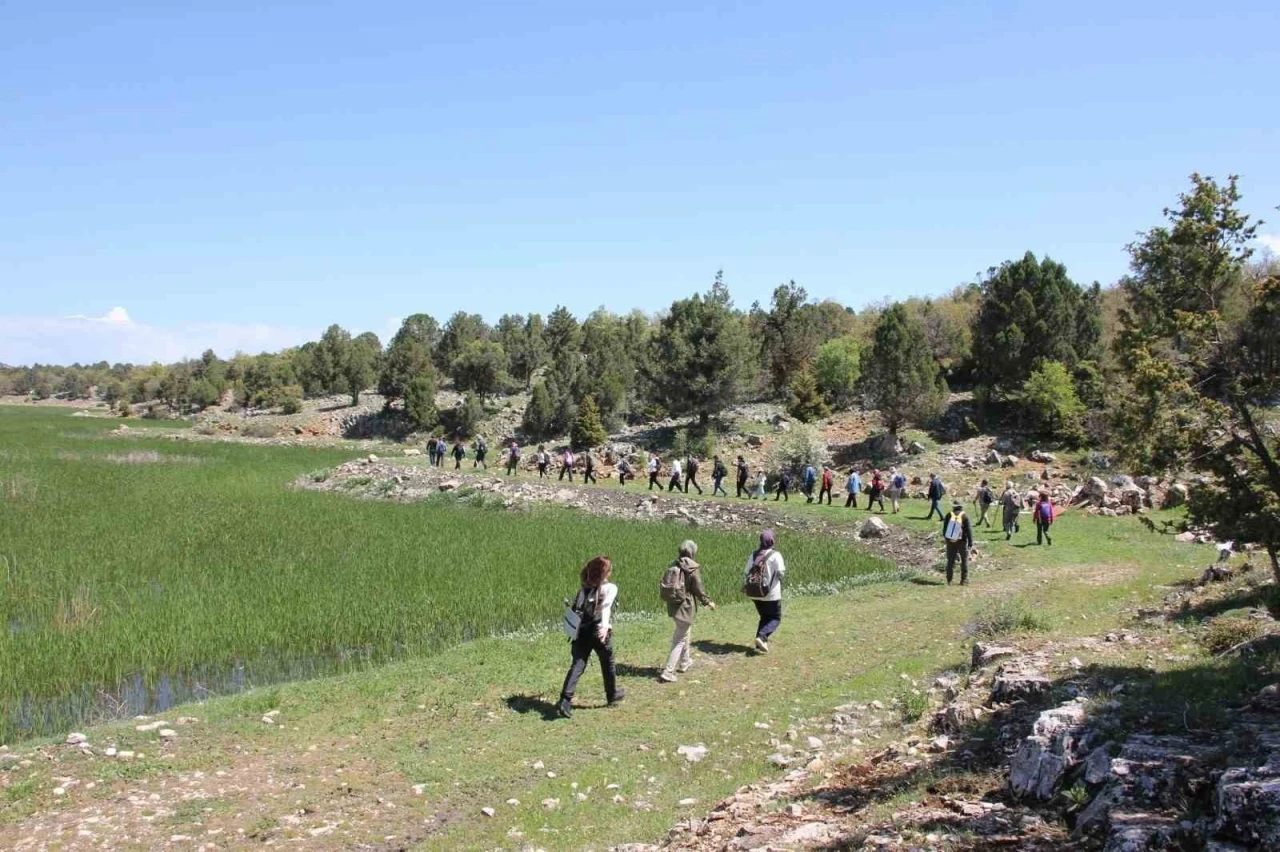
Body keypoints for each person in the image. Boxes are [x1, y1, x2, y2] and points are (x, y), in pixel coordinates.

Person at [557, 556, 625, 718]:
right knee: (607, 662)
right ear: (604, 573)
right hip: (597, 631)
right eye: (609, 570)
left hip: (581, 632)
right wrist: (604, 626)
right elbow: (606, 606)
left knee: (578, 664)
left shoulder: (583, 590)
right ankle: (611, 694)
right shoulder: (610, 588)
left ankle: (565, 700)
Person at [658, 540, 716, 683]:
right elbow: (698, 589)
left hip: (673, 606)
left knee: (685, 631)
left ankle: (685, 661)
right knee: (679, 640)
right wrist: (708, 602)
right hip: (685, 608)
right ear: (692, 552)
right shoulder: (692, 568)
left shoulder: (674, 564)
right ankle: (668, 672)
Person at [742, 530, 786, 653]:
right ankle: (762, 637)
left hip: (755, 593)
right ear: (772, 541)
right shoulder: (776, 555)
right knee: (775, 618)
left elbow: (746, 572)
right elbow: (781, 572)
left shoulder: (753, 555)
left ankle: (759, 645)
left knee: (764, 617)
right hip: (771, 594)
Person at [942, 500, 973, 585]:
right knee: (964, 560)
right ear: (961, 506)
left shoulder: (949, 515)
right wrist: (970, 541)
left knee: (950, 561)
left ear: (953, 506)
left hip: (950, 541)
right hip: (962, 541)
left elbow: (944, 529)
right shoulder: (964, 516)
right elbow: (969, 530)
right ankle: (964, 580)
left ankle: (949, 580)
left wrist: (947, 539)